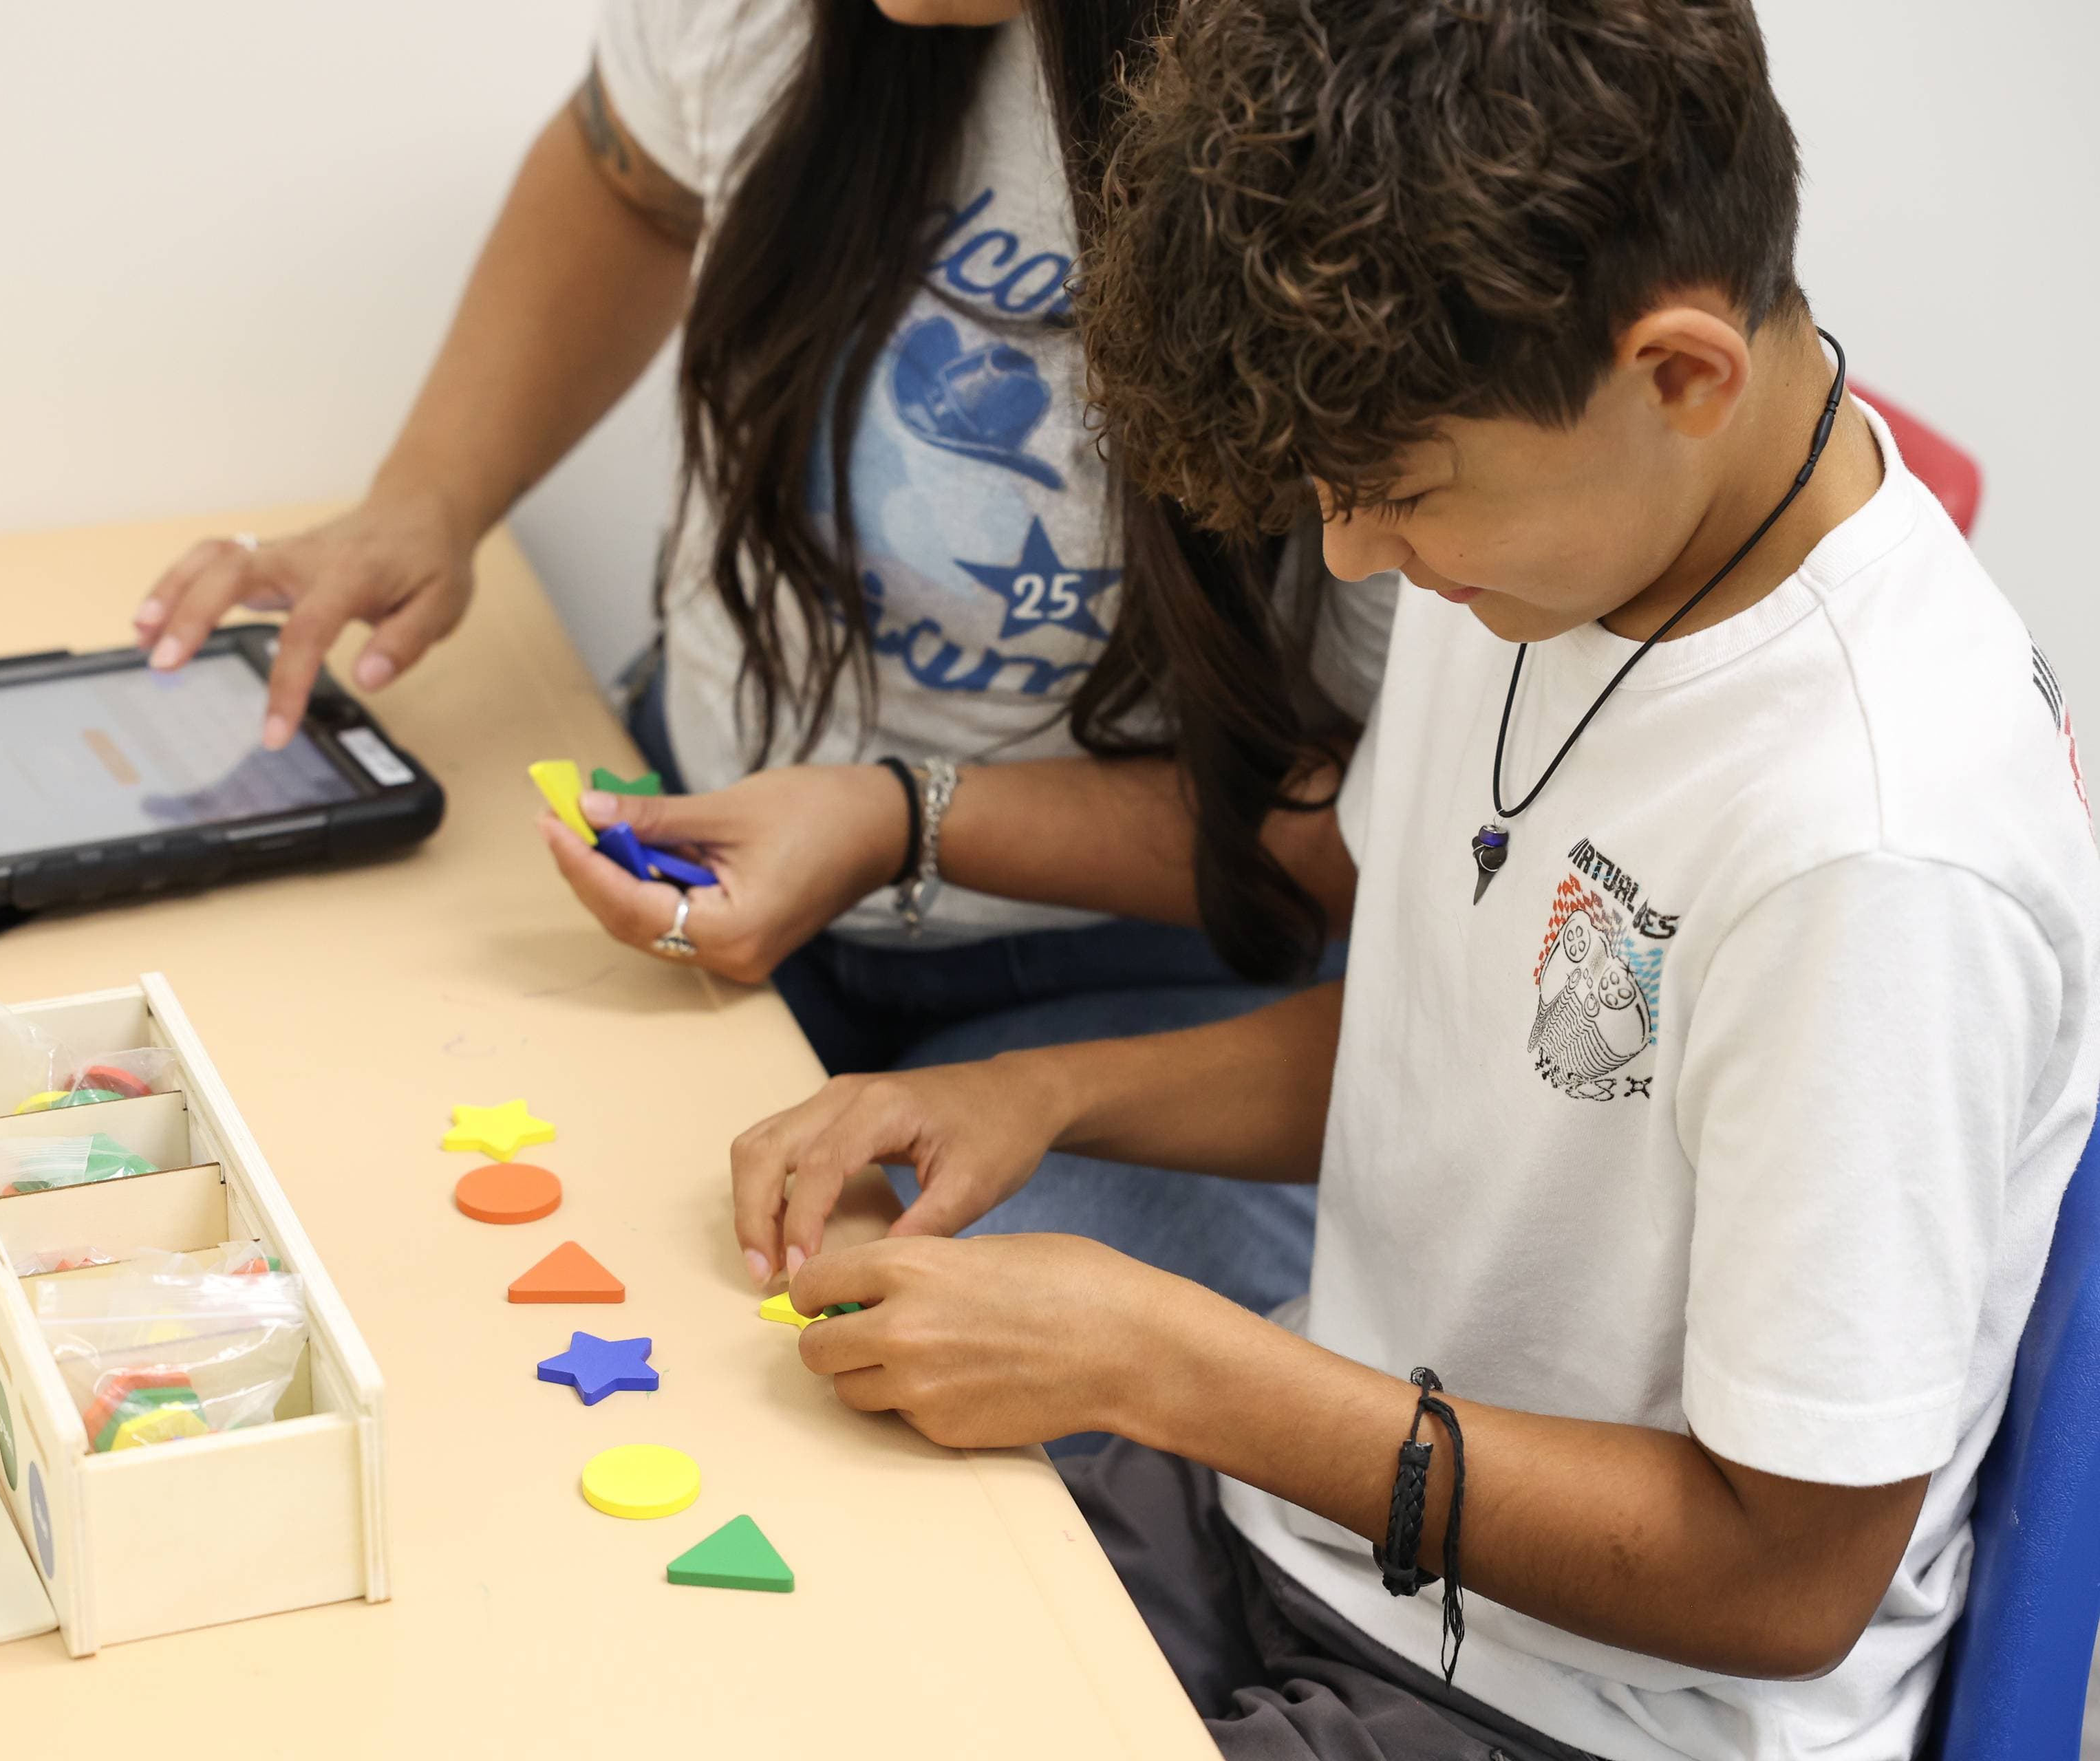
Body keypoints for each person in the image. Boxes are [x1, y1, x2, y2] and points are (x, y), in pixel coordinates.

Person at [733, 2, 2100, 1755]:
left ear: (1680, 375)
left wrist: (1168, 1358)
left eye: (1397, 492)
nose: (1354, 549)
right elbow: (1445, 1045)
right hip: (1305, 1533)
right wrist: (1037, 1094)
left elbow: (1785, 1576)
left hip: (1593, 1706)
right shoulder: (1557, 537)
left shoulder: (1881, 848)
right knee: (790, 1612)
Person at [125, 0, 1392, 1313]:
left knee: (850, 1353)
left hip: (1162, 979)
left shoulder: (1365, 105)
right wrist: (431, 495)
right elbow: (633, 179)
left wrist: (898, 820)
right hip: (709, 836)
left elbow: (1377, 842)